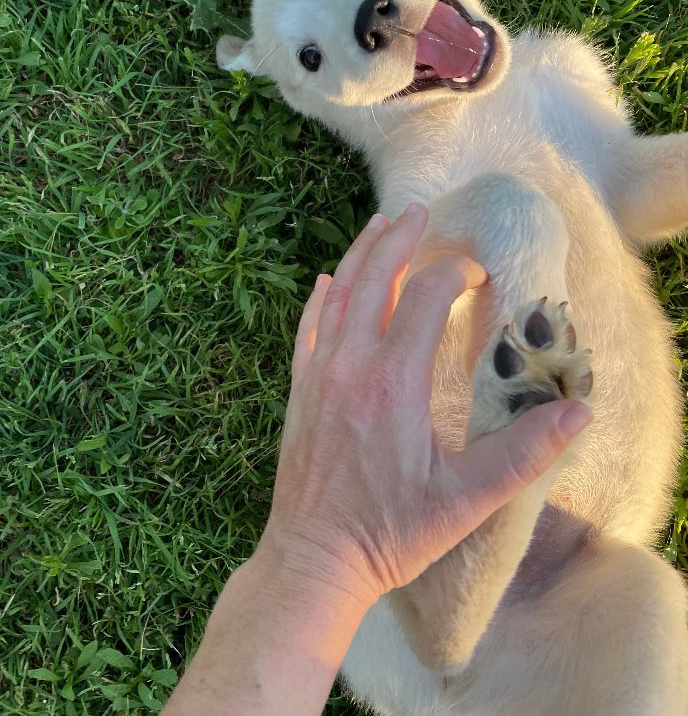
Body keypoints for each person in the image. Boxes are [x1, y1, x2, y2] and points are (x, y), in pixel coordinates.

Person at [161, 203, 591, 715]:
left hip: (348, 632)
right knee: (651, 608)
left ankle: (455, 595)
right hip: (499, 613)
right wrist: (328, 551)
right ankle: (456, 593)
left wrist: (309, 551)